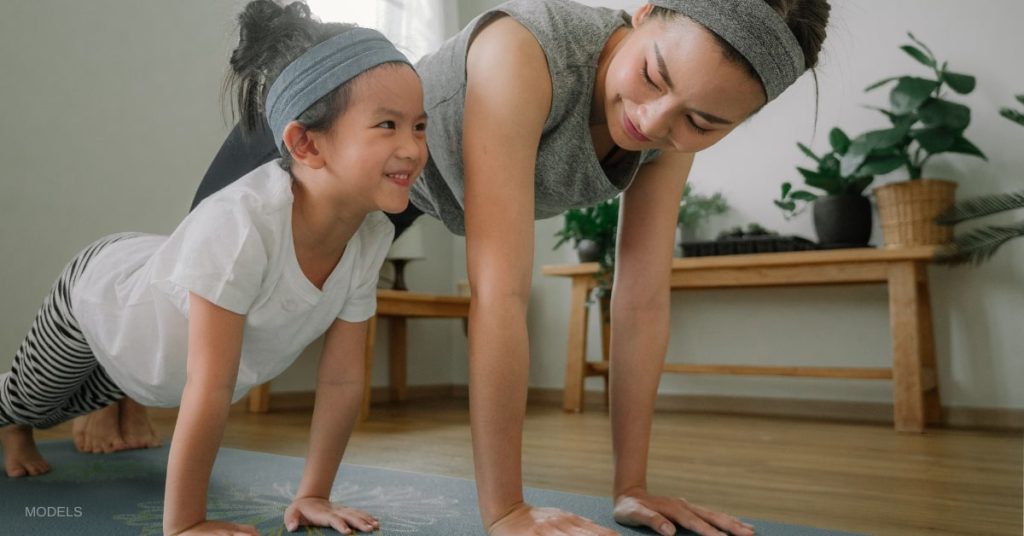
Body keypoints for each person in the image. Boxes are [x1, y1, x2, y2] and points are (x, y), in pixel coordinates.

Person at [94, 0, 832, 535]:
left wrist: (631, 486)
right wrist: (503, 510)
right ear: (643, 14)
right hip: (332, 153)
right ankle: (110, 389)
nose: (653, 120)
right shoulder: (527, 50)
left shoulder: (665, 133)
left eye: (702, 122)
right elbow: (500, 292)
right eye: (654, 75)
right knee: (176, 304)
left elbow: (640, 298)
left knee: (263, 331)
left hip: (405, 193)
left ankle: (127, 395)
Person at [0, 1, 428, 534]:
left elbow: (342, 379)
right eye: (387, 125)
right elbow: (210, 383)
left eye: (420, 125)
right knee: (30, 399)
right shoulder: (243, 225)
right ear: (305, 143)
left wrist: (314, 493)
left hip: (152, 354)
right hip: (97, 297)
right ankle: (13, 424)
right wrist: (185, 523)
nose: (412, 148)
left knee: (84, 397)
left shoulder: (370, 236)